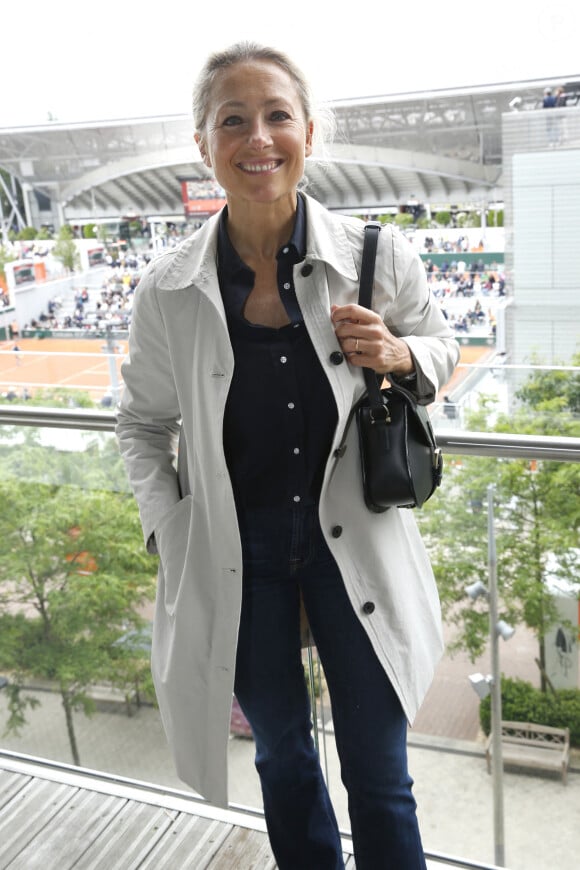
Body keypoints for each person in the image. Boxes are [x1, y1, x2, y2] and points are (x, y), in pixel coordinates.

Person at [115, 41, 459, 870]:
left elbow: (444, 347)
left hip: (357, 545)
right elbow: (141, 425)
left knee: (380, 775)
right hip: (241, 554)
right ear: (204, 145)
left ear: (308, 130)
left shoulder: (376, 259)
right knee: (282, 762)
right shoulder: (168, 289)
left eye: (276, 115)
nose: (257, 137)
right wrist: (170, 535)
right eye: (233, 120)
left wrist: (403, 359)